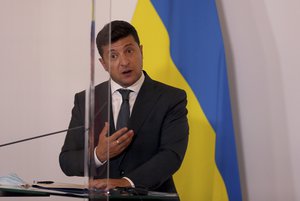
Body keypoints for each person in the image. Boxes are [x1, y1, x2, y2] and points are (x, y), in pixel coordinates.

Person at [59, 20, 189, 195]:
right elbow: (67, 161)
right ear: (103, 63)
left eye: (129, 51)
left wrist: (126, 182)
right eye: (113, 56)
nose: (124, 62)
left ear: (141, 51)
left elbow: (171, 155)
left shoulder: (171, 98)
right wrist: (99, 154)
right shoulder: (86, 100)